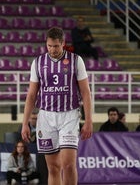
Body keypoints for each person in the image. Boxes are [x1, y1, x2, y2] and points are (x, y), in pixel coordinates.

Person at [21, 27, 93, 185]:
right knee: (53, 167)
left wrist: (88, 121)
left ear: (63, 43)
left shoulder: (75, 60)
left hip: (69, 115)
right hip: (46, 117)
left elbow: (86, 92)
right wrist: (25, 123)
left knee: (68, 164)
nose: (52, 50)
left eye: (56, 46)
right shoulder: (38, 62)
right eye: (49, 46)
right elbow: (32, 95)